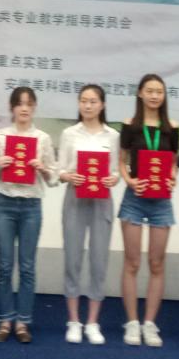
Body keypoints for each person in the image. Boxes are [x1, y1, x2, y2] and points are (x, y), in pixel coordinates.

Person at [0, 87, 56, 343]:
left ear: (34, 107)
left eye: (29, 104)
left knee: (27, 267)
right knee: (4, 266)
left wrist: (43, 168)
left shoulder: (42, 138)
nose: (24, 108)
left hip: (31, 206)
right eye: (19, 104)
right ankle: (5, 320)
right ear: (11, 108)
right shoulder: (0, 137)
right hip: (4, 203)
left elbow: (53, 179)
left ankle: (23, 322)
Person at [118, 74, 179, 347]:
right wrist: (130, 181)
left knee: (156, 263)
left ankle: (150, 324)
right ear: (140, 94)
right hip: (135, 197)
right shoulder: (129, 125)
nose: (155, 96)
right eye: (150, 91)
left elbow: (174, 163)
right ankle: (132, 322)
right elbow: (121, 162)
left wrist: (172, 178)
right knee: (132, 262)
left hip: (161, 201)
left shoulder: (172, 127)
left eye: (159, 92)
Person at [57, 84, 120, 345]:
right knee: (72, 259)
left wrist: (113, 179)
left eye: (93, 101)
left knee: (98, 261)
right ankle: (73, 320)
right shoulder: (69, 133)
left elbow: (115, 171)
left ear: (102, 105)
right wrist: (68, 176)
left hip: (101, 200)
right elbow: (59, 170)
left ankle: (93, 322)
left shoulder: (112, 135)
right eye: (83, 100)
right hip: (75, 198)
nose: (88, 105)